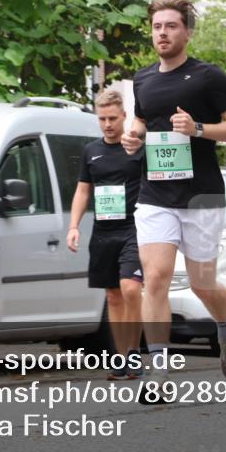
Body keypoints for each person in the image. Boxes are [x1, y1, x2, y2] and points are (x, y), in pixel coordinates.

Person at [121, 0, 226, 396]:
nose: (162, 33)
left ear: (188, 32)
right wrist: (133, 135)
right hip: (155, 193)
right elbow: (141, 118)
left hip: (201, 197)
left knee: (202, 284)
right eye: (157, 26)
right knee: (156, 278)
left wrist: (198, 129)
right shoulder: (143, 79)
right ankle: (159, 370)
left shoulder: (209, 77)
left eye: (171, 26)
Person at [68, 90, 145, 380]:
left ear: (124, 116)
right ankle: (121, 357)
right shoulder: (91, 151)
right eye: (102, 119)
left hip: (133, 229)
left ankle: (134, 352)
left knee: (130, 288)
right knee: (113, 296)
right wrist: (73, 226)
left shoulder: (137, 149)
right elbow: (83, 190)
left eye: (112, 118)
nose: (108, 124)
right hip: (103, 232)